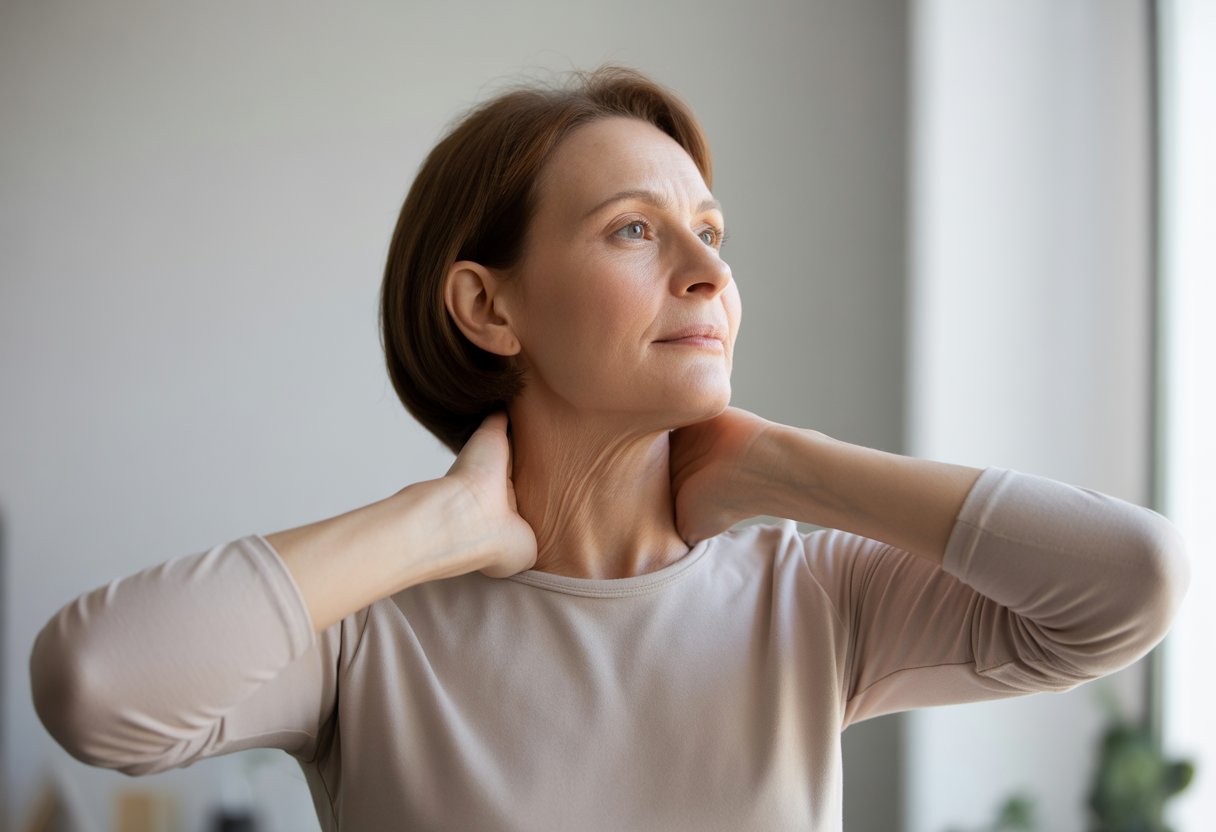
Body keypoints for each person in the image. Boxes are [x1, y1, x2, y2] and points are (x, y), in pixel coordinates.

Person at [30, 66, 1188, 831]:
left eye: (711, 233)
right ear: (488, 309)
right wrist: (439, 523)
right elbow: (97, 689)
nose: (708, 271)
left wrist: (786, 464)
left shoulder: (810, 598)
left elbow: (1130, 585)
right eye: (634, 228)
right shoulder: (370, 634)